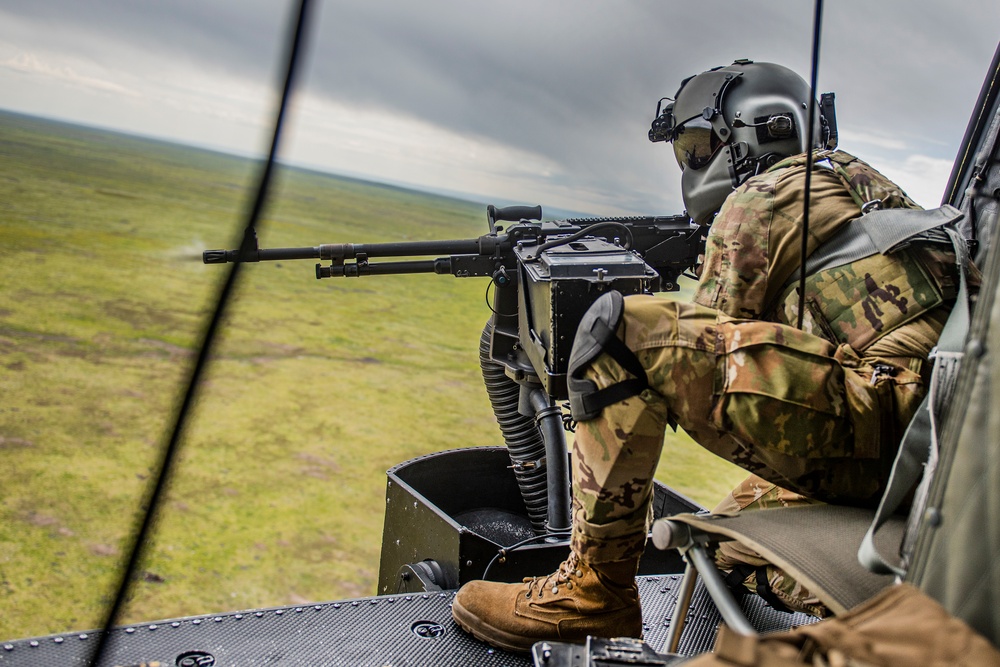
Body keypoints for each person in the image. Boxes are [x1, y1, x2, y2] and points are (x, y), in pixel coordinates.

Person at [451, 59, 969, 653]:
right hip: (938, 451)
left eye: (698, 148)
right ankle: (885, 609)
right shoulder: (858, 183)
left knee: (620, 333)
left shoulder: (764, 197)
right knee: (725, 541)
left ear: (752, 133)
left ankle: (591, 596)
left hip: (890, 427)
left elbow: (708, 345)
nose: (691, 166)